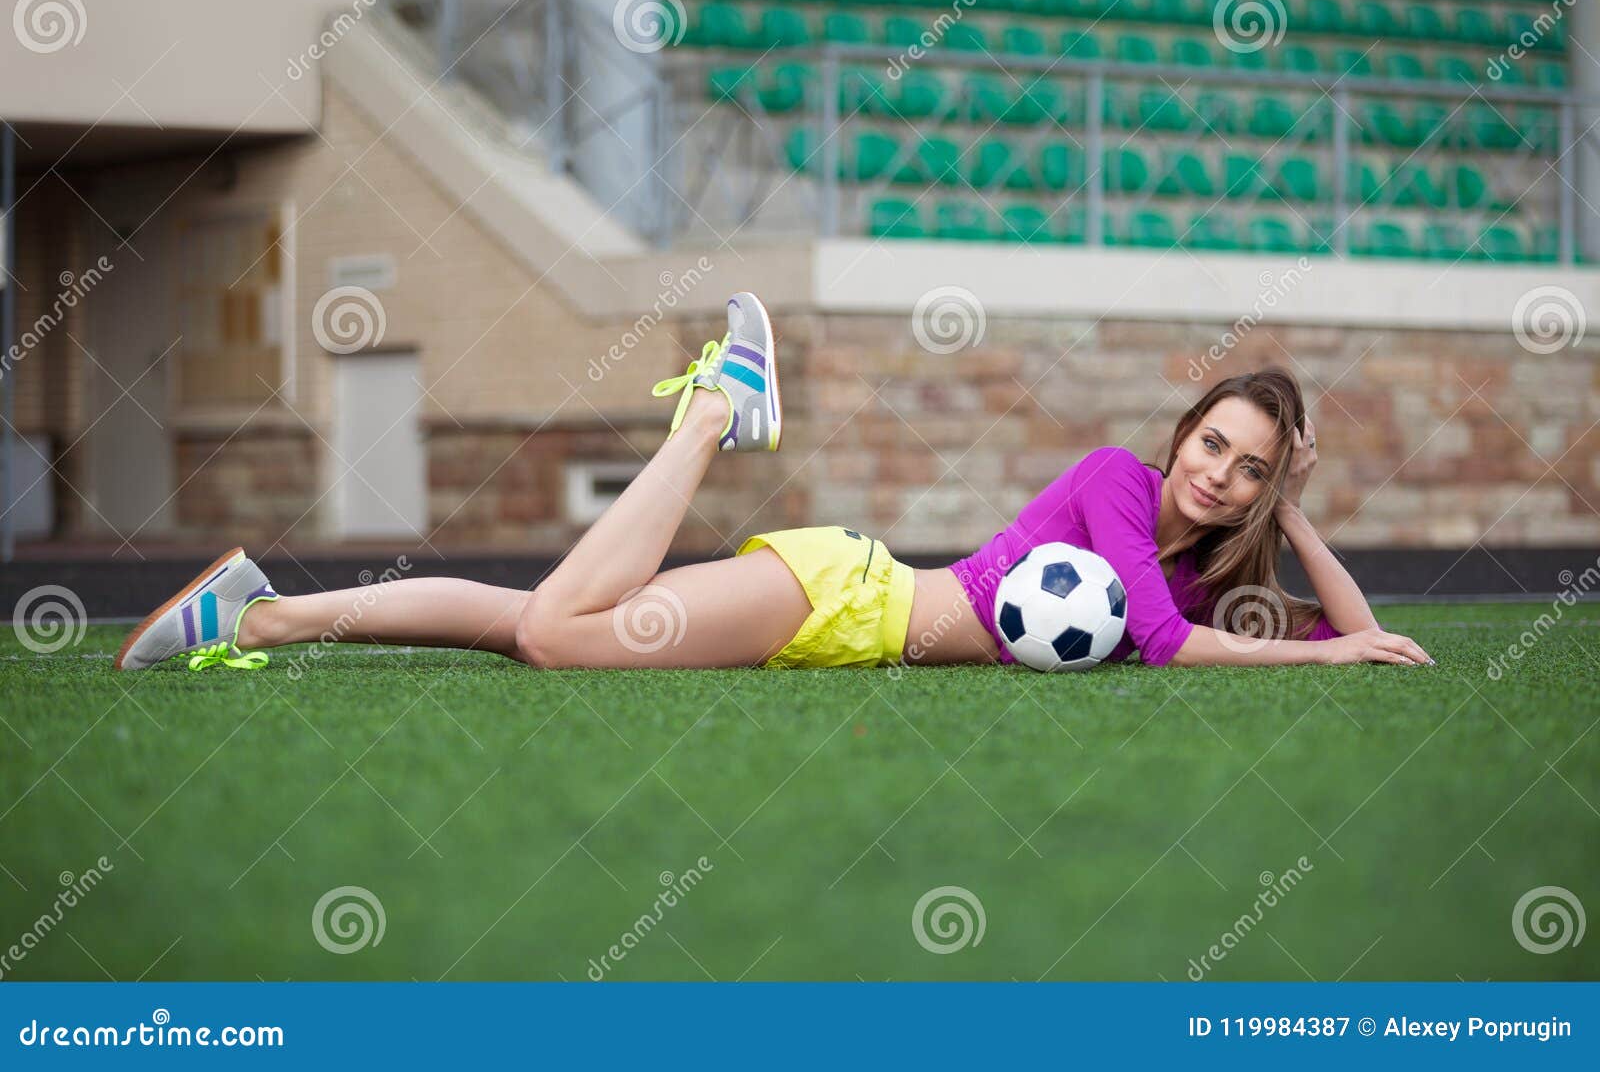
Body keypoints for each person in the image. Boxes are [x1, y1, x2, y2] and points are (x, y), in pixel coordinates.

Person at [114, 292, 1433, 674]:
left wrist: (1297, 519)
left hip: (843, 620)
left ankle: (263, 612)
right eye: (1214, 445)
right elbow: (1157, 643)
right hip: (841, 603)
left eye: (1250, 470)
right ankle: (713, 415)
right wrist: (1319, 663)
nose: (1220, 474)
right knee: (566, 643)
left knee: (530, 621)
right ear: (1182, 429)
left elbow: (1339, 629)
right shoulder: (1106, 481)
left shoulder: (1218, 562)